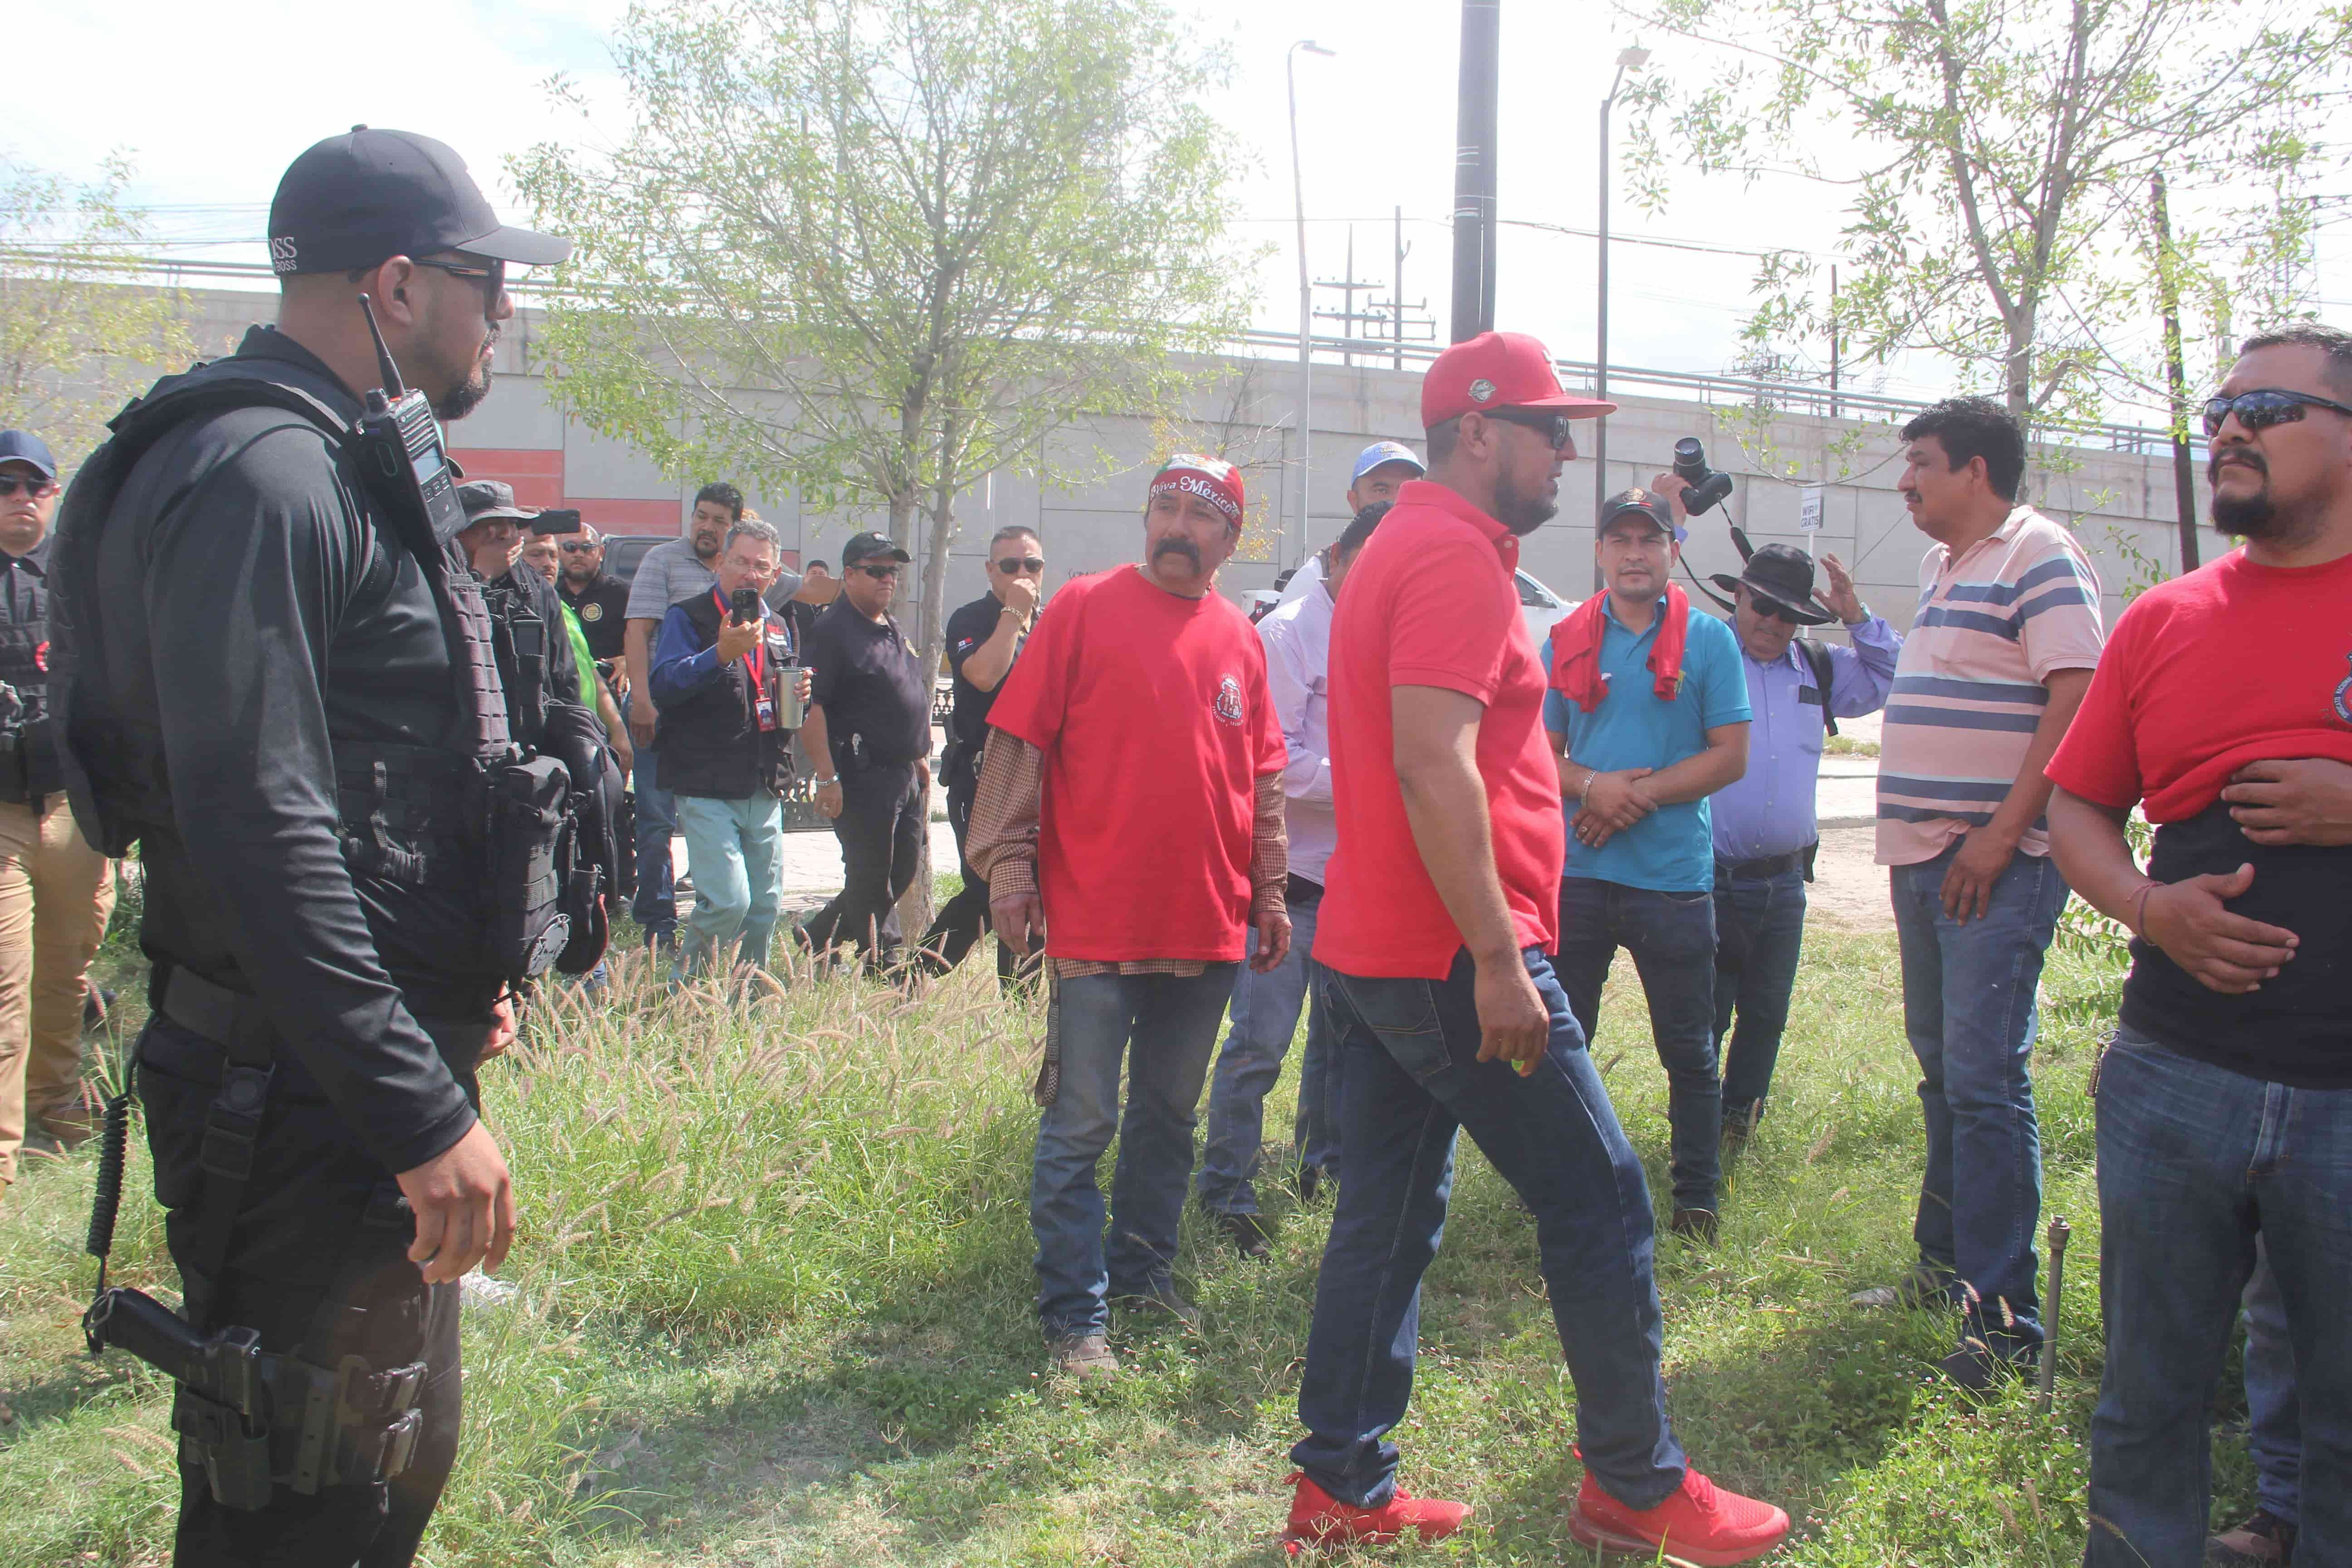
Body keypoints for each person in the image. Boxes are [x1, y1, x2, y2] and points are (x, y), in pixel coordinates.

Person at [50, 126, 567, 1565]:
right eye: (485, 282)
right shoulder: (267, 476)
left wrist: (458, 975)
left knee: (368, 1476)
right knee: (302, 1505)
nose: (504, 313)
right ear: (397, 285)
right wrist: (417, 1109)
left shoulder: (327, 458)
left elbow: (368, 779)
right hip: (297, 1102)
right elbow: (255, 825)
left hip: (330, 1069)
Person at [1290, 330, 1788, 1560]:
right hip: (1455, 955)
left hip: (1381, 941)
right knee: (1603, 1198)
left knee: (1389, 1216)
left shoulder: (1407, 542)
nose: (1568, 449)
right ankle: (1634, 1481)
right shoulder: (1453, 556)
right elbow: (1431, 761)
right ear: (1477, 431)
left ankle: (1340, 1488)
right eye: (1548, 427)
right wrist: (1504, 959)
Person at [2045, 325, 2352, 1567]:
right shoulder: (2165, 620)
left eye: (2266, 406)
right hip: (2178, 1081)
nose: (2226, 428)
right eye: (2216, 410)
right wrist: (2145, 904)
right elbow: (2076, 807)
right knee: (2149, 1403)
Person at [968, 452, 1289, 1377]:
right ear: (1146, 518)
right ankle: (1077, 1316)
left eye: (1204, 516)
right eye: (1167, 509)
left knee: (1166, 1117)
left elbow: (1262, 779)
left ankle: (1144, 1280)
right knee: (1081, 1125)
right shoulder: (1081, 606)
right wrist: (1011, 870)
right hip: (1097, 921)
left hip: (1206, 922)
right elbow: (1019, 744)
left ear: (1230, 539)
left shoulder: (1242, 637)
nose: (1180, 528)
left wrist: (1267, 891)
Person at [1849, 396, 2103, 1392]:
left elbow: (2078, 693)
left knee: (1987, 1081)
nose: (1906, 481)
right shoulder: (1946, 565)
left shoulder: (2041, 554)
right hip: (1928, 858)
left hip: (1992, 861)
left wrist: (2002, 834)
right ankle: (1945, 1270)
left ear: (1977, 472)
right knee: (1945, 1070)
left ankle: (2004, 1324)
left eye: (1919, 462)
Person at [1540, 486, 1751, 1240]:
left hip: (1671, 881)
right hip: (1579, 875)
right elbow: (1537, 753)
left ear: (1672, 550)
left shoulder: (1709, 642)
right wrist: (1592, 787)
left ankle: (1696, 1196)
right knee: (1564, 1042)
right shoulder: (1567, 634)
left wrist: (1634, 796)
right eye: (1619, 541)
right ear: (1598, 552)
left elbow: (1729, 756)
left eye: (1648, 541)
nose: (1634, 554)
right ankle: (1566, 1186)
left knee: (1689, 1049)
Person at [1192, 498, 1395, 1254]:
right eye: (1365, 559)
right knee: (1258, 1047)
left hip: (1355, 882)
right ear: (1334, 559)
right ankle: (1226, 1189)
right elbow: (1270, 762)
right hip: (1288, 889)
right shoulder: (1285, 635)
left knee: (1341, 1046)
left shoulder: (1381, 637)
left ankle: (1322, 1171)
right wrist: (1376, 778)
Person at [1695, 539, 1898, 1144]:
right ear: (1739, 596)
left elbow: (1894, 674)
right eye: (1762, 606)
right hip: (1710, 878)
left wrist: (1857, 618)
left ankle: (1742, 1120)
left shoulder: (1818, 667)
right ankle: (1697, 1123)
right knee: (1707, 1015)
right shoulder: (1704, 657)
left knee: (1767, 1014)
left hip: (1784, 884)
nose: (1772, 623)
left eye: (1788, 613)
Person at [0, 429, 116, 1197]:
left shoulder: (82, 578)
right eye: (4, 486)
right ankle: (3, 1153)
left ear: (52, 493)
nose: (19, 499)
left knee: (68, 972)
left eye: (31, 485)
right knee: (4, 982)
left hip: (72, 808)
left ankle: (57, 1104)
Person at [649, 516, 808, 980]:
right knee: (728, 901)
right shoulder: (690, 616)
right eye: (740, 561)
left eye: (761, 567)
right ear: (720, 563)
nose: (749, 574)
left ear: (774, 576)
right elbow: (664, 684)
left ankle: (748, 1005)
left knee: (765, 906)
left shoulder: (779, 624)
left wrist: (801, 694)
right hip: (706, 780)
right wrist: (718, 654)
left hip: (763, 778)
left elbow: (779, 691)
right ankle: (690, 997)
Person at [797, 532, 933, 967]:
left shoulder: (888, 625)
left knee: (902, 870)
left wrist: (918, 757)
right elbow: (810, 707)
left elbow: (901, 694)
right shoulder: (832, 631)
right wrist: (826, 776)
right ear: (849, 575)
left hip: (904, 773)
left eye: (892, 571)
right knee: (871, 877)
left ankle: (817, 935)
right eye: (876, 571)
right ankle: (887, 963)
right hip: (861, 773)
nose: (887, 579)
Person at [917, 525, 1045, 984]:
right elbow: (985, 676)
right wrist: (1013, 613)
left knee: (1034, 888)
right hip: (981, 778)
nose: (1023, 574)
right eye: (1010, 566)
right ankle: (915, 977)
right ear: (991, 570)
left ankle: (1022, 997)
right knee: (990, 888)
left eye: (1032, 565)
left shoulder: (1050, 624)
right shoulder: (972, 618)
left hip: (1037, 781)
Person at [622, 482, 741, 953]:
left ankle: (718, 915)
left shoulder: (739, 571)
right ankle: (657, 920)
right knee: (655, 819)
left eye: (719, 521)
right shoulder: (663, 561)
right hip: (662, 712)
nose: (707, 527)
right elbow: (638, 633)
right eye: (701, 516)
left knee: (711, 821)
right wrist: (642, 700)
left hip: (713, 726)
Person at [520, 529, 630, 777]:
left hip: (588, 736)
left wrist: (618, 730)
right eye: (537, 555)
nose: (547, 563)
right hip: (548, 745)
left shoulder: (561, 609)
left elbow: (589, 672)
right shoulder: (519, 610)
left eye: (551, 555)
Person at [1275, 439, 1424, 607]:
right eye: (1381, 490)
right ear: (1353, 500)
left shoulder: (1436, 563)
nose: (1396, 501)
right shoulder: (1318, 575)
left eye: (1408, 489)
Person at [553, 519, 630, 671]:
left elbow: (646, 639)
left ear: (601, 553)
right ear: (559, 552)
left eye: (587, 548)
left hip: (608, 684)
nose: (579, 554)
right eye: (570, 547)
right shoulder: (549, 593)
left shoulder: (622, 594)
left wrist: (627, 661)